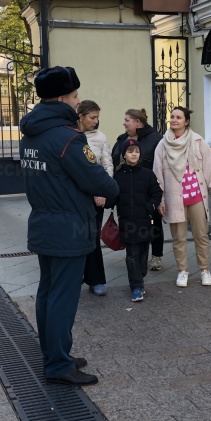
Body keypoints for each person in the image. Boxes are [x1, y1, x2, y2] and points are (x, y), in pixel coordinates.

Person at [20, 66, 119, 386]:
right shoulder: (68, 138)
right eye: (75, 95)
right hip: (68, 226)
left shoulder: (32, 134)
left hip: (44, 222)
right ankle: (58, 364)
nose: (78, 101)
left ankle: (53, 353)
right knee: (62, 296)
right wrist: (114, 190)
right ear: (62, 97)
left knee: (48, 292)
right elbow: (97, 178)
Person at [154, 107, 211, 288]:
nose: (174, 120)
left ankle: (204, 270)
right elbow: (157, 174)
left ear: (186, 121)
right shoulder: (163, 144)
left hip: (196, 196)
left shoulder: (198, 141)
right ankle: (182, 271)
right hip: (173, 198)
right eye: (172, 117)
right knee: (179, 238)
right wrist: (160, 199)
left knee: (201, 235)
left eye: (178, 117)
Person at [108, 138, 163, 302]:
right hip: (127, 222)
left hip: (145, 220)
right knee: (132, 254)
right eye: (130, 151)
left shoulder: (147, 174)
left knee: (142, 253)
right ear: (124, 154)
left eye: (137, 151)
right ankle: (136, 286)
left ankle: (140, 276)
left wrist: (150, 206)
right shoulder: (118, 176)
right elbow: (113, 197)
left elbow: (157, 193)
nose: (134, 154)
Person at [111, 109, 165, 271]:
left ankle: (156, 256)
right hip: (127, 187)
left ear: (137, 122)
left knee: (154, 224)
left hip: (148, 188)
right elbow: (114, 158)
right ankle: (133, 254)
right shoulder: (122, 139)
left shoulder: (155, 138)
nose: (124, 123)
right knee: (129, 223)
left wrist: (158, 197)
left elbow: (162, 164)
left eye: (127, 120)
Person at [77, 100, 113, 297]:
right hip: (76, 197)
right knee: (75, 238)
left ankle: (96, 279)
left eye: (98, 117)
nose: (96, 121)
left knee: (92, 238)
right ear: (81, 116)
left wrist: (103, 192)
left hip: (96, 198)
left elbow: (107, 166)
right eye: (92, 117)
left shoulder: (100, 137)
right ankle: (74, 278)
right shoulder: (72, 135)